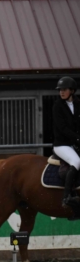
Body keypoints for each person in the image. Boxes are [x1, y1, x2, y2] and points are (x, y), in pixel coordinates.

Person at [52, 76, 80, 207]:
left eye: (64, 89)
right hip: (62, 145)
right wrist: (78, 138)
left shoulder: (78, 104)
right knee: (76, 162)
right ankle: (67, 197)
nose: (61, 92)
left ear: (72, 91)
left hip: (75, 143)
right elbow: (62, 128)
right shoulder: (57, 106)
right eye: (60, 90)